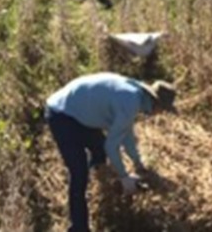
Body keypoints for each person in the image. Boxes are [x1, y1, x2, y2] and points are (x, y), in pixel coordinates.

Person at [45, 72, 177, 232]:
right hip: (62, 114)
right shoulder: (130, 102)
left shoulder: (135, 95)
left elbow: (127, 135)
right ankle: (79, 227)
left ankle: (100, 178)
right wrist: (124, 176)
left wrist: (138, 164)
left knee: (99, 148)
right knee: (79, 172)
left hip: (78, 111)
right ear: (157, 103)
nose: (161, 113)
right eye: (163, 110)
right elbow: (112, 146)